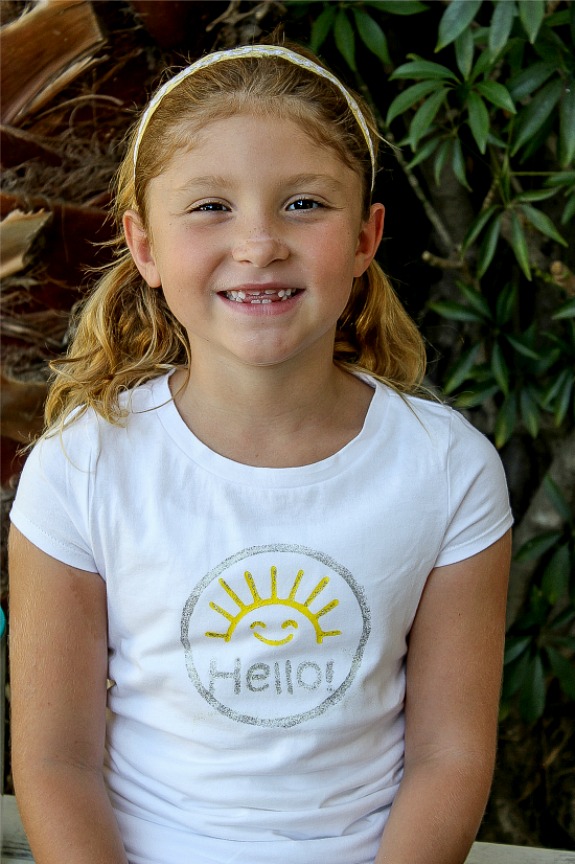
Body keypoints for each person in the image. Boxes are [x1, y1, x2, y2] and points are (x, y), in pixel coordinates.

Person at [9, 40, 513, 864]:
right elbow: (57, 760)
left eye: (304, 204)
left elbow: (447, 756)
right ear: (143, 247)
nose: (258, 244)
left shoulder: (446, 471)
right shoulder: (83, 467)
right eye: (209, 207)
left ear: (364, 237)